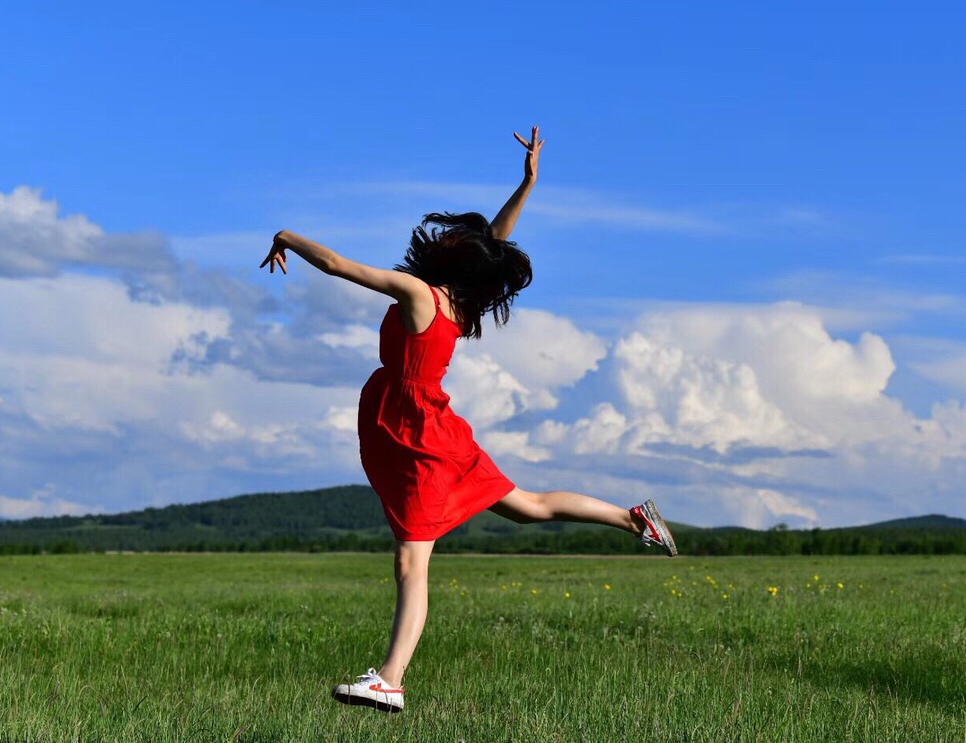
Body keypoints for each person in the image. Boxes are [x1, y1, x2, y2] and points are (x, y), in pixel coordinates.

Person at [260, 127, 676, 713]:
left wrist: (284, 234)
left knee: (412, 559)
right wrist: (527, 184)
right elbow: (496, 241)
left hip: (419, 435)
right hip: (429, 424)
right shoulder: (461, 299)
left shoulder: (419, 295)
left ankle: (391, 678)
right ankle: (633, 520)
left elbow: (334, 264)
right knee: (526, 506)